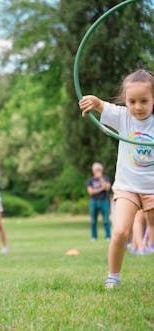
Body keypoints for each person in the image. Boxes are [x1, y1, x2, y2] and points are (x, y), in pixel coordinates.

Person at [79, 69, 154, 289]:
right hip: (127, 188)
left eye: (144, 101)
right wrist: (92, 101)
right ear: (125, 100)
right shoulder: (123, 117)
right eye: (132, 101)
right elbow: (101, 104)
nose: (137, 107)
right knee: (120, 231)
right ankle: (113, 276)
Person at [86, 162, 111, 241]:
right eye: (95, 169)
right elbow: (90, 192)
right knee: (93, 221)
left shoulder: (106, 178)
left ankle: (108, 236)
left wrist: (101, 179)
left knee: (106, 220)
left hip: (104, 201)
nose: (97, 171)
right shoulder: (90, 180)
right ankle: (94, 237)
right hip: (93, 202)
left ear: (101, 170)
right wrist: (101, 189)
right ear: (93, 170)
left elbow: (107, 188)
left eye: (98, 169)